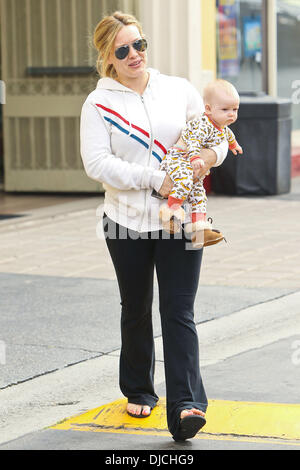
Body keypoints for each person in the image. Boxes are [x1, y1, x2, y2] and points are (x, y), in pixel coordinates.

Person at [80, 11, 228, 441]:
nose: (133, 55)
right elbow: (97, 163)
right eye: (122, 50)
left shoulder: (177, 89)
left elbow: (214, 133)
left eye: (138, 45)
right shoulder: (98, 103)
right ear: (107, 56)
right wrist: (154, 178)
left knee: (178, 310)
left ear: (146, 44)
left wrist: (208, 159)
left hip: (181, 219)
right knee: (136, 307)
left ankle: (187, 405)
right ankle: (140, 388)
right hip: (125, 222)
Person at [158, 79, 243, 248]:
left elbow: (228, 135)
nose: (231, 114)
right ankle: (171, 212)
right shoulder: (202, 125)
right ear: (209, 109)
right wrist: (196, 157)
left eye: (235, 109)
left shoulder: (221, 126)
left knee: (199, 194)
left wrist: (234, 145)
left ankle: (200, 228)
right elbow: (194, 142)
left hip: (192, 161)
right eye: (225, 109)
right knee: (185, 181)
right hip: (179, 158)